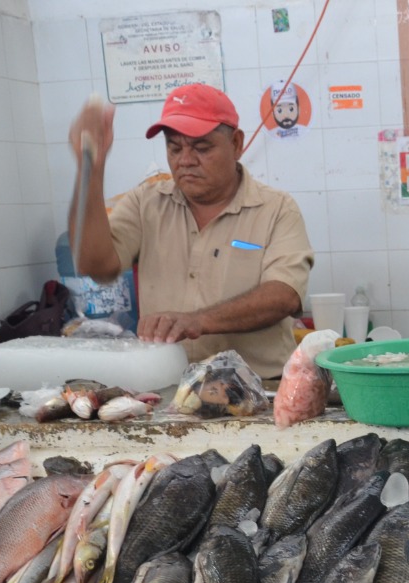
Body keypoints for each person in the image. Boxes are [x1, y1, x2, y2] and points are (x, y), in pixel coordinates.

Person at [66, 84, 313, 380]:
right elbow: (96, 266)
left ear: (236, 144)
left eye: (201, 147)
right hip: (170, 391)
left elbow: (284, 296)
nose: (185, 160)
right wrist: (90, 166)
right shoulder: (146, 202)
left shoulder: (277, 209)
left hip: (259, 390)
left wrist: (198, 321)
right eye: (174, 147)